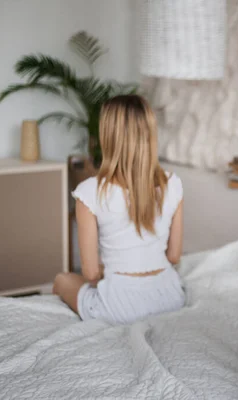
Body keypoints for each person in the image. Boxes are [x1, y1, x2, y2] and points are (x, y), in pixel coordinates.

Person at [53, 94, 186, 325]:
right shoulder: (172, 183)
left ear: (109, 137)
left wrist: (122, 271)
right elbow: (173, 256)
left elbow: (91, 274)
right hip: (171, 297)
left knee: (62, 279)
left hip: (118, 306)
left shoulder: (89, 192)